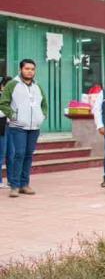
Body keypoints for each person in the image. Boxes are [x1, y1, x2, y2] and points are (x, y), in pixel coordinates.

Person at [0, 59, 48, 198]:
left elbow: (44, 103)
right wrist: (13, 116)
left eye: (32, 69)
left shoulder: (37, 86)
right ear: (21, 69)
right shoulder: (12, 84)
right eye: (27, 69)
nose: (30, 71)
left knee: (28, 154)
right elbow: (3, 103)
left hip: (34, 127)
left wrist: (42, 116)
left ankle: (24, 184)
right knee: (19, 154)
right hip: (18, 126)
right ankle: (14, 186)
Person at [0, 76, 12, 189]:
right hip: (1, 128)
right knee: (1, 155)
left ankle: (11, 180)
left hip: (11, 129)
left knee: (11, 154)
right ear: (2, 86)